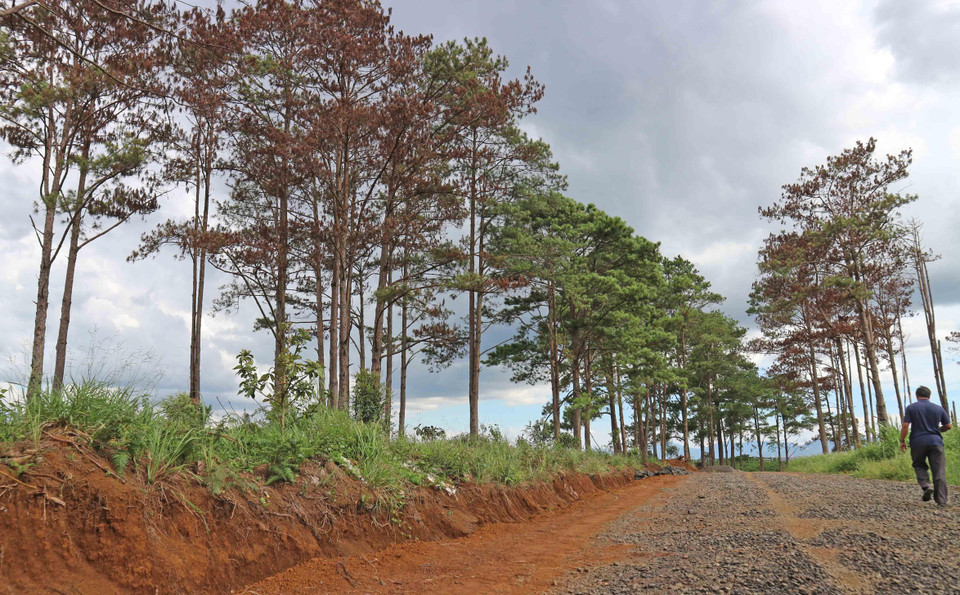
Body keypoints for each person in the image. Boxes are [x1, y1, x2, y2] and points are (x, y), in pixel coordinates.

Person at [900, 385, 952, 507]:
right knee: (939, 470)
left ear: (917, 396)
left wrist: (902, 441)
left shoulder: (911, 408)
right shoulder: (938, 408)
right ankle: (942, 501)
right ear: (929, 396)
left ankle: (926, 486)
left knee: (918, 464)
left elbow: (905, 426)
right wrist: (939, 430)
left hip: (917, 442)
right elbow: (948, 426)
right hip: (936, 442)